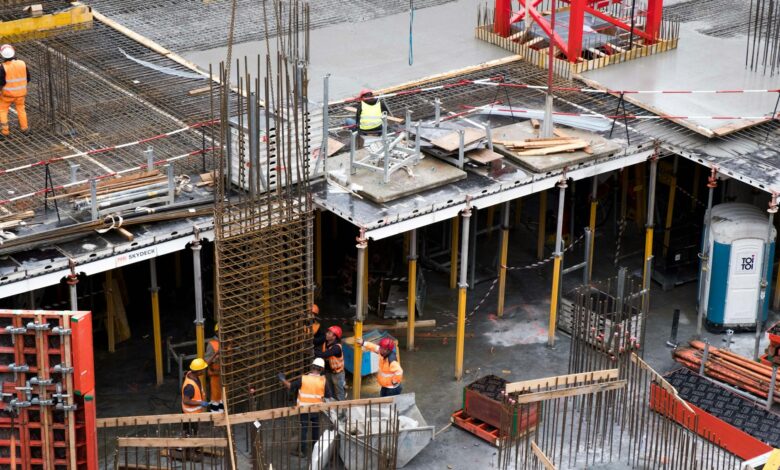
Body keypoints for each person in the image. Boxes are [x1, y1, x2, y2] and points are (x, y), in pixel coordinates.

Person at [280, 358, 333, 457]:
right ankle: (315, 449)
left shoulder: (304, 379)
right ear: (321, 369)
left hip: (304, 409)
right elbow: (328, 396)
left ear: (311, 367)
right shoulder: (323, 381)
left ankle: (302, 451)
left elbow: (290, 386)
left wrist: (282, 379)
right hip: (316, 410)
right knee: (316, 429)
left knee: (303, 429)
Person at [0, 44, 29, 139]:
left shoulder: (2, 67)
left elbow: (1, 82)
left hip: (7, 96)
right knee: (21, 109)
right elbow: (28, 78)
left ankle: (5, 132)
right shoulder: (22, 63)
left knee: (2, 110)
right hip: (21, 94)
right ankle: (25, 128)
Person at [314, 325, 345, 401]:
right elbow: (315, 342)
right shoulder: (326, 341)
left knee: (339, 394)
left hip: (337, 374)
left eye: (329, 333)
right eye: (327, 332)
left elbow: (324, 355)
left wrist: (312, 352)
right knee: (330, 393)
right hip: (328, 372)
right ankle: (333, 410)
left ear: (334, 337)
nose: (327, 334)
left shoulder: (337, 348)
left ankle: (343, 411)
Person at [181, 358, 209, 436]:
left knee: (192, 431)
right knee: (191, 432)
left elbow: (206, 364)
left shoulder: (191, 373)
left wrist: (215, 355)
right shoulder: (190, 386)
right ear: (198, 371)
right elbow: (186, 401)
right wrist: (200, 402)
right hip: (190, 413)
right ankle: (189, 447)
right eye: (203, 370)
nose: (204, 371)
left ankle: (191, 446)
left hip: (194, 413)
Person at [204, 324, 221, 403]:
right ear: (217, 332)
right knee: (215, 398)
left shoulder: (227, 342)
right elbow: (206, 362)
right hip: (215, 375)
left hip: (226, 375)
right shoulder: (212, 344)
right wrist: (216, 355)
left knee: (224, 398)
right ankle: (215, 414)